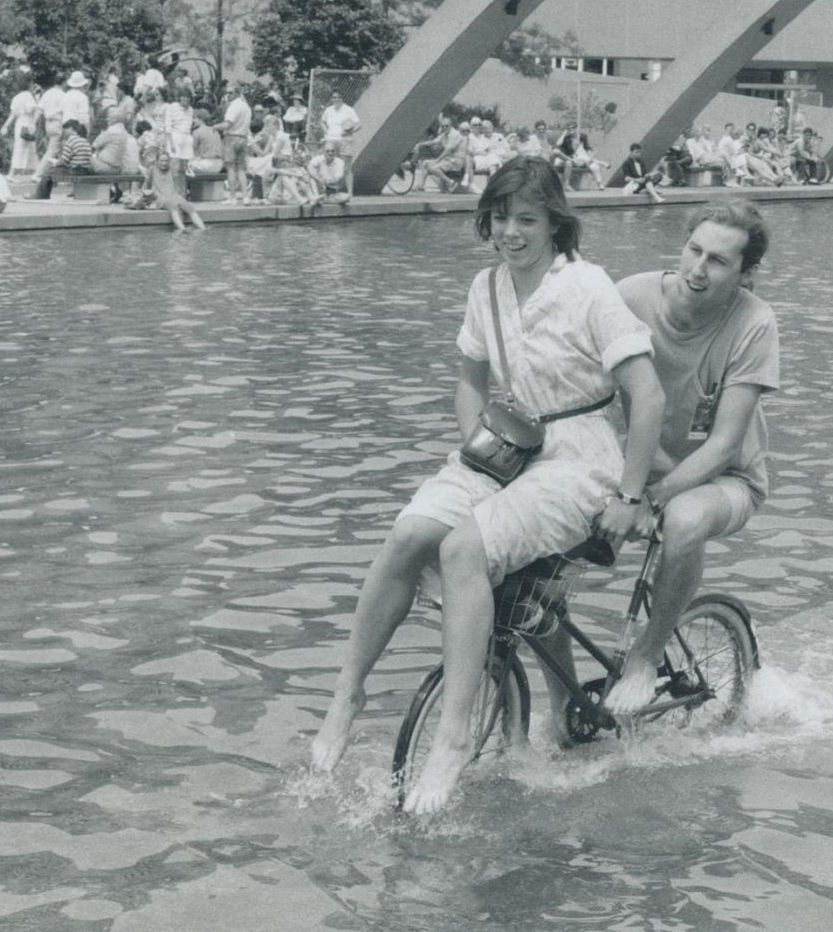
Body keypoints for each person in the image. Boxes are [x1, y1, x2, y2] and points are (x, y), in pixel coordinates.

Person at [308, 156, 665, 814]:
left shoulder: (588, 286)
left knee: (465, 549)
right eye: (500, 217)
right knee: (411, 532)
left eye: (527, 219)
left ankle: (452, 736)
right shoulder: (487, 287)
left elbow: (647, 395)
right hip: (509, 447)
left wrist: (630, 495)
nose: (511, 232)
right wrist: (479, 447)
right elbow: (471, 376)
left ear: (556, 223)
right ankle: (347, 694)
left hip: (580, 459)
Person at [591, 199, 780, 717]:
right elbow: (586, 386)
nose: (699, 268)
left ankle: (647, 657)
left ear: (746, 273)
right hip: (637, 466)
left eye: (718, 260)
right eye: (694, 250)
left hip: (727, 476)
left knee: (682, 519)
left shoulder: (754, 324)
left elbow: (723, 445)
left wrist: (651, 497)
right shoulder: (630, 295)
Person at [216, 86, 253, 204]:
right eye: (227, 92)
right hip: (243, 138)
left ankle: (233, 197)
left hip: (232, 138)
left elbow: (227, 124)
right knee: (241, 169)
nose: (228, 95)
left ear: (237, 93)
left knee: (231, 169)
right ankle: (246, 197)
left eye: (230, 92)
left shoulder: (233, 106)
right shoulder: (246, 107)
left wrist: (215, 126)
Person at [153, 151, 206, 232]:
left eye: (166, 161)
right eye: (162, 161)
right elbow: (146, 184)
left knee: (188, 207)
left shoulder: (172, 170)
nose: (164, 163)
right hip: (160, 197)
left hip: (173, 195)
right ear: (157, 161)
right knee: (172, 206)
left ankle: (203, 228)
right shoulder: (152, 170)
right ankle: (182, 229)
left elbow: (178, 185)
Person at [320, 90, 361, 195]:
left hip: (344, 141)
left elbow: (358, 125)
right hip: (331, 141)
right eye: (334, 97)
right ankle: (331, 191)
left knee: (346, 167)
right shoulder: (329, 110)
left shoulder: (348, 110)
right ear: (332, 99)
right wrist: (327, 132)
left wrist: (349, 132)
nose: (336, 99)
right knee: (331, 165)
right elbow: (322, 122)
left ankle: (350, 193)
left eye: (339, 97)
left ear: (342, 99)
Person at [3, 79, 42, 177]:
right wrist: (37, 100)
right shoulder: (28, 96)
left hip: (19, 122)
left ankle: (29, 171)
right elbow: (30, 109)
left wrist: (6, 126)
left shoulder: (16, 97)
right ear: (28, 85)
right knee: (28, 147)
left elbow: (12, 114)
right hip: (27, 122)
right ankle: (16, 172)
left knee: (20, 147)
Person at [188, 107, 224, 175]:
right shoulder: (215, 131)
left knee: (183, 166)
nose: (193, 121)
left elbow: (192, 151)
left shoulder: (197, 132)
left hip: (205, 165)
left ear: (200, 119)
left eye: (194, 118)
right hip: (219, 165)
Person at [62, 71, 94, 138]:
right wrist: (88, 130)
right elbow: (83, 116)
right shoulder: (82, 97)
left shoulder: (65, 95)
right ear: (83, 84)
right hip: (77, 127)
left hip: (65, 126)